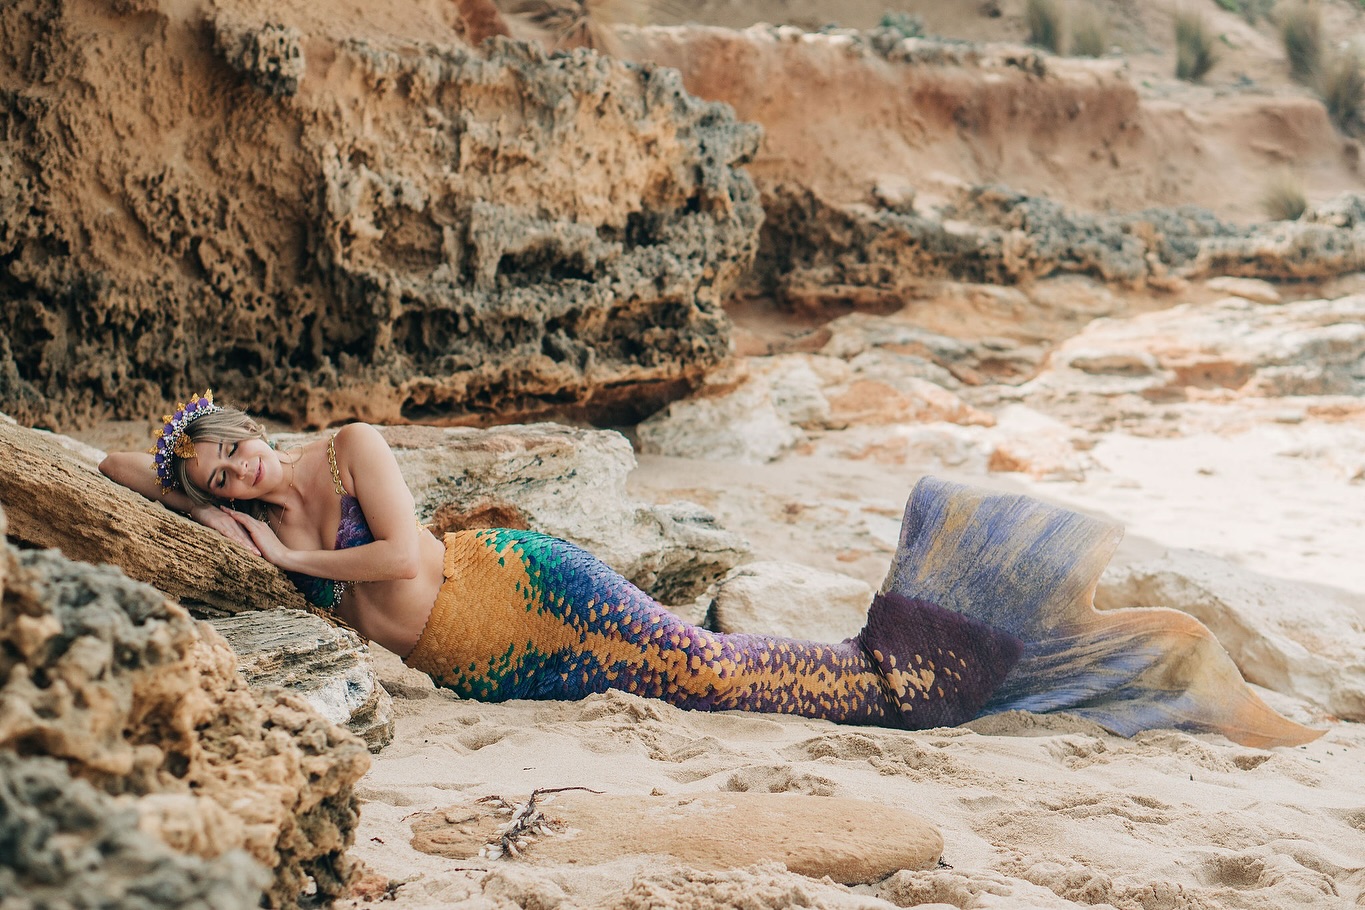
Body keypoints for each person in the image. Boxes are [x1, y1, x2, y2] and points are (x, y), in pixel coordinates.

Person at [101, 391, 1322, 749]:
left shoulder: (345, 450)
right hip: (492, 674)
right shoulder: (226, 503)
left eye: (240, 451)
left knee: (701, 664)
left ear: (257, 428)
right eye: (218, 478)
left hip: (517, 588)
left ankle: (916, 672)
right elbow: (110, 467)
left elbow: (413, 552)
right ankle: (872, 669)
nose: (242, 474)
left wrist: (282, 547)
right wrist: (170, 475)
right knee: (696, 679)